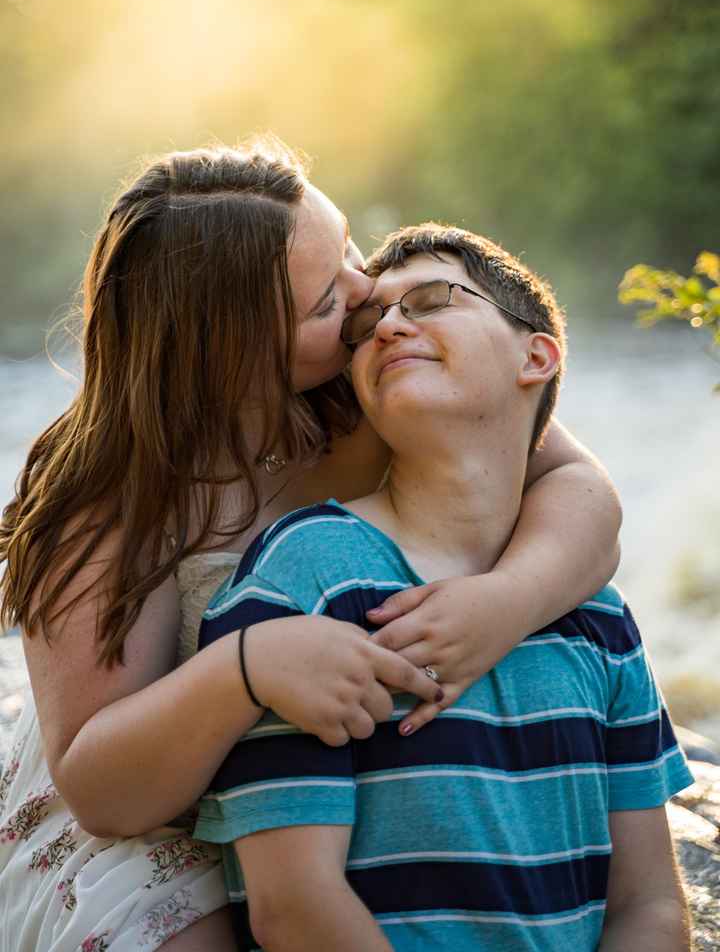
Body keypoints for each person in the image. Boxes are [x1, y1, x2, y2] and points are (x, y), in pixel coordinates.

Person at [0, 142, 621, 951]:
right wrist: (244, 668)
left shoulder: (375, 386)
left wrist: (509, 601)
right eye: (329, 299)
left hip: (339, 772)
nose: (370, 294)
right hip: (165, 810)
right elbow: (103, 791)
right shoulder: (112, 498)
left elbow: (585, 496)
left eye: (350, 248)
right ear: (233, 355)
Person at [195, 223, 692, 952]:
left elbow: (649, 904)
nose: (390, 325)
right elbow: (295, 906)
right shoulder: (309, 570)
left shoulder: (596, 615)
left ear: (537, 356)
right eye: (367, 325)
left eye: (431, 300)